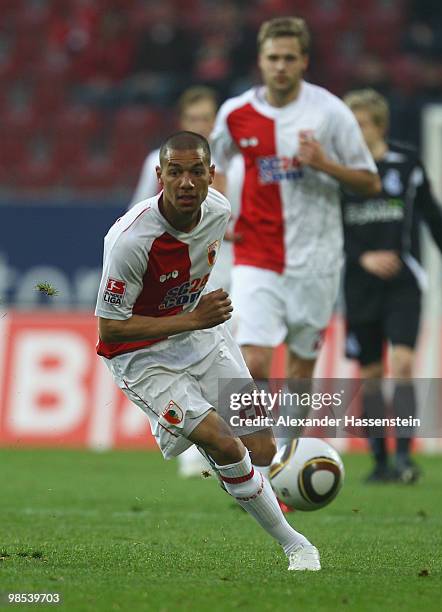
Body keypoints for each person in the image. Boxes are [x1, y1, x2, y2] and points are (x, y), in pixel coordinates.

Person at [95, 131, 321, 571]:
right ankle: (297, 546)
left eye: (196, 171)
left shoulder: (219, 210)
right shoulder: (128, 240)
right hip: (143, 357)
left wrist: (194, 319)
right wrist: (192, 318)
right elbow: (110, 328)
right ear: (159, 176)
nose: (185, 182)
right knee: (222, 441)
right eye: (175, 172)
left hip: (203, 338)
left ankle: (210, 452)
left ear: (211, 175)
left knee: (261, 448)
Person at [210, 17, 380, 462]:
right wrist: (222, 202)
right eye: (273, 58)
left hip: (317, 259)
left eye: (289, 58)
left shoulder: (330, 113)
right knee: (253, 364)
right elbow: (217, 161)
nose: (280, 67)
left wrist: (325, 164)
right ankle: (252, 462)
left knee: (301, 368)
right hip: (256, 253)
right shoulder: (236, 113)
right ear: (260, 61)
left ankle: (284, 461)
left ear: (304, 61)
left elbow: (368, 181)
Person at [341, 88, 442, 483]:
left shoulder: (406, 163)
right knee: (372, 373)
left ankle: (405, 457)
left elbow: (433, 214)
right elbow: (328, 226)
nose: (353, 131)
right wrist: (363, 257)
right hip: (359, 284)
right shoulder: (340, 172)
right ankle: (379, 461)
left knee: (405, 364)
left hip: (402, 282)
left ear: (379, 125)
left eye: (359, 124)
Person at [129, 86, 243, 477]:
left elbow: (241, 216)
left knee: (229, 351)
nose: (201, 126)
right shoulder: (157, 164)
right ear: (183, 123)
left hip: (227, 267)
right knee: (184, 348)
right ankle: (198, 449)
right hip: (177, 276)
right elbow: (139, 213)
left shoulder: (236, 165)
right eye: (193, 119)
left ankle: (233, 442)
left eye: (207, 119)